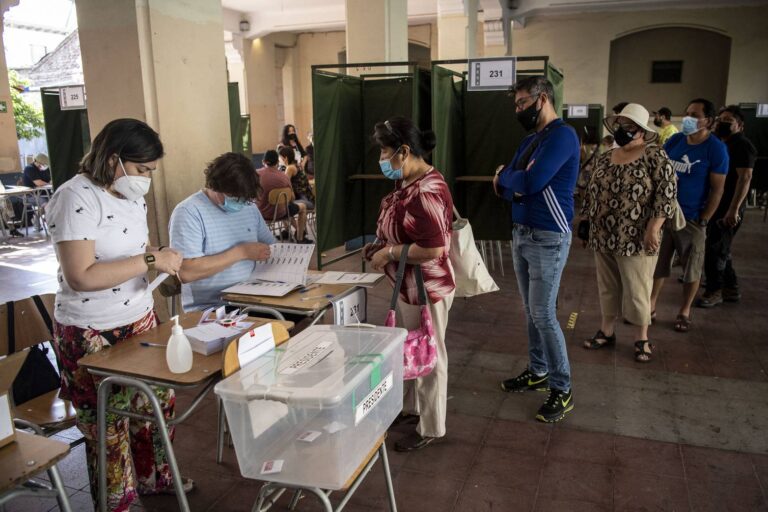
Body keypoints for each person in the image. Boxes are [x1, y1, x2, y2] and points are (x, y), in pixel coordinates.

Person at [46, 118, 184, 511]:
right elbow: (81, 276)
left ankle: (155, 477)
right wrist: (151, 258)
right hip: (91, 330)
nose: (146, 180)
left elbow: (134, 254)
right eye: (142, 170)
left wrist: (160, 264)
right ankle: (117, 502)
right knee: (107, 424)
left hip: (137, 318)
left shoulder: (131, 197)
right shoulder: (75, 198)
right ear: (112, 160)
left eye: (151, 171)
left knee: (155, 405)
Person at [365, 117, 454, 452]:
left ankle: (432, 426)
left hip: (427, 287)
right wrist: (381, 247)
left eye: (386, 152)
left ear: (404, 151)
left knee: (431, 354)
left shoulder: (427, 190)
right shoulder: (411, 180)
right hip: (409, 285)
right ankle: (415, 410)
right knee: (415, 346)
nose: (382, 159)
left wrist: (388, 252)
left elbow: (433, 248)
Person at [494, 76, 579, 423]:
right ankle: (538, 370)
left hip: (548, 236)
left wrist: (507, 178)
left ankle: (562, 388)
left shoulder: (563, 136)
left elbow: (526, 180)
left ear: (542, 99)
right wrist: (509, 180)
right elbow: (504, 185)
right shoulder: (532, 140)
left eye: (522, 103)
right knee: (530, 311)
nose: (518, 110)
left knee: (543, 313)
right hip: (522, 232)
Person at [579, 104, 676, 362]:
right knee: (607, 286)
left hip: (637, 236)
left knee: (637, 288)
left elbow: (666, 196)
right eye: (620, 124)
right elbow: (592, 189)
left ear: (642, 131)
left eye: (629, 126)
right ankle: (607, 331)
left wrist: (654, 228)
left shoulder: (655, 156)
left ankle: (641, 338)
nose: (623, 130)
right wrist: (586, 221)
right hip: (604, 233)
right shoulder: (606, 156)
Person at [651, 98, 728, 332]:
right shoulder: (675, 141)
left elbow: (717, 189)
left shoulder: (715, 149)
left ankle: (684, 310)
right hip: (665, 214)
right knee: (658, 264)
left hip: (692, 218)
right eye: (686, 113)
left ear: (709, 120)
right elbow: (659, 170)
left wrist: (704, 218)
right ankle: (650, 306)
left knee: (692, 267)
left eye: (694, 115)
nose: (688, 119)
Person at [169, 152, 275, 312]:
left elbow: (272, 246)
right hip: (213, 307)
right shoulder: (189, 212)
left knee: (302, 319)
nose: (240, 203)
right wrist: (242, 252)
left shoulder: (248, 207)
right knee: (278, 328)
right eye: (235, 197)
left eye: (244, 198)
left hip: (254, 296)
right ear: (213, 186)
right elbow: (186, 272)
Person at [697, 105, 757, 307]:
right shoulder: (721, 143)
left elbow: (745, 178)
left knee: (715, 249)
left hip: (730, 205)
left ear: (739, 125)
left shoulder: (742, 145)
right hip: (718, 203)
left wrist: (734, 209)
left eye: (728, 120)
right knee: (722, 247)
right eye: (720, 119)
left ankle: (715, 291)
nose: (722, 123)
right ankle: (731, 288)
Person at [256, 149, 309, 242]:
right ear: (277, 162)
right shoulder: (284, 176)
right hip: (282, 213)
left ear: (263, 162)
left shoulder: (256, 174)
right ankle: (300, 238)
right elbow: (291, 197)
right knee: (301, 207)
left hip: (261, 214)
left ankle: (286, 231)